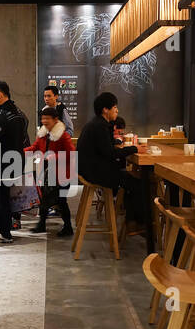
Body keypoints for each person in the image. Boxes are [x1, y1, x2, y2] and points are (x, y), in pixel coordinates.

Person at [78, 91, 145, 227]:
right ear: (105, 110)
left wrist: (118, 144)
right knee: (139, 183)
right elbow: (110, 153)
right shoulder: (100, 126)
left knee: (131, 179)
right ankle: (137, 223)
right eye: (115, 108)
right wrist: (135, 149)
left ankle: (132, 220)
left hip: (88, 170)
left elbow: (105, 148)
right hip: (95, 173)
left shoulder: (97, 124)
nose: (117, 110)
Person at [0, 80, 29, 242]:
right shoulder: (19, 112)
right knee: (7, 197)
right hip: (16, 160)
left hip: (4, 163)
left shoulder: (1, 115)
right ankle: (6, 228)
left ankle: (4, 233)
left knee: (2, 198)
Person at [26, 105, 75, 236]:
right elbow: (35, 147)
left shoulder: (63, 136)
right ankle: (45, 225)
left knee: (60, 201)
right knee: (48, 200)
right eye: (43, 118)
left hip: (62, 175)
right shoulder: (43, 135)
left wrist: (55, 157)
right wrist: (22, 152)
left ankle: (66, 227)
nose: (45, 121)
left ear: (55, 119)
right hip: (47, 175)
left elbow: (71, 153)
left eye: (47, 118)